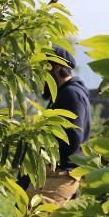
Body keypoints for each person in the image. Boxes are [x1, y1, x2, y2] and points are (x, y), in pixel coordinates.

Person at [27, 45, 91, 205]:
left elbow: (73, 138)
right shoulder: (64, 94)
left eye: (43, 69)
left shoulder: (71, 95)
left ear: (55, 68)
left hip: (61, 175)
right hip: (57, 174)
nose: (41, 77)